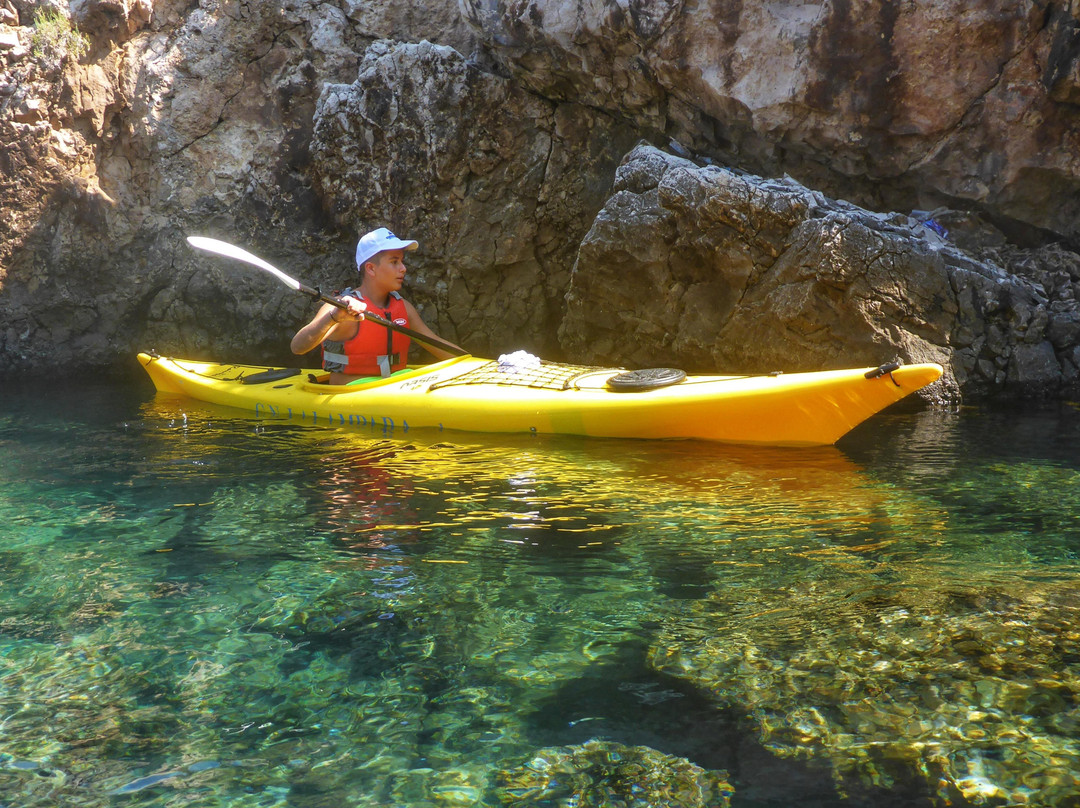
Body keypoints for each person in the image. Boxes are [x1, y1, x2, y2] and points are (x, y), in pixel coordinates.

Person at [290, 227, 462, 384]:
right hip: (351, 396)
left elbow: (437, 344)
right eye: (394, 262)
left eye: (402, 261)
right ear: (371, 269)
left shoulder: (404, 308)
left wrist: (477, 365)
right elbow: (297, 347)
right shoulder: (340, 307)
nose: (403, 268)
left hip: (394, 386)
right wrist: (334, 317)